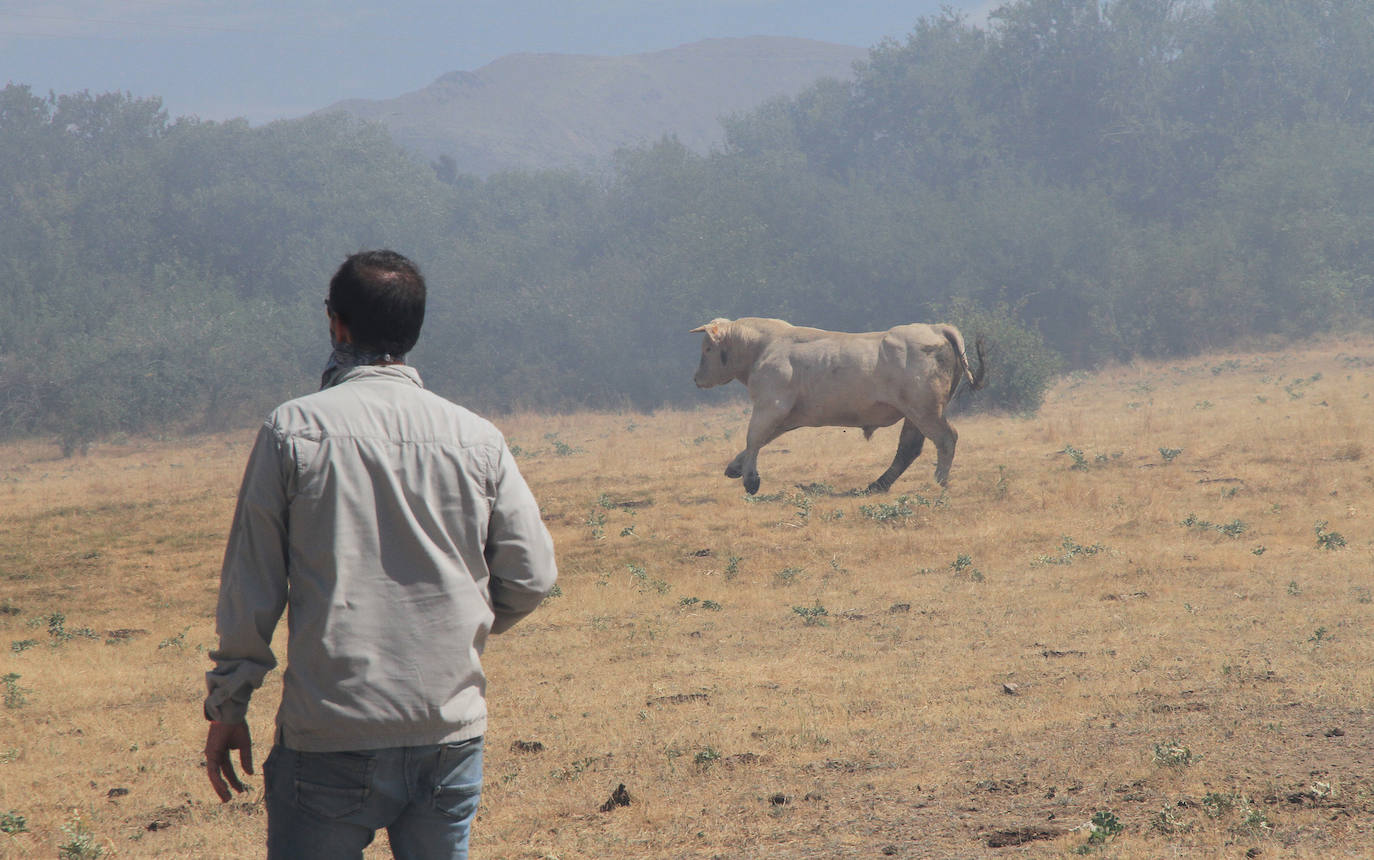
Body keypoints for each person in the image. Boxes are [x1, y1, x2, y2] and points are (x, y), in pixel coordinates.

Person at [203, 249, 558, 859]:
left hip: (329, 734)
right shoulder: (477, 437)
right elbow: (531, 576)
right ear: (413, 330)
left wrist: (229, 704)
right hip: (449, 732)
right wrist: (458, 627)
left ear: (336, 325)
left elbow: (252, 585)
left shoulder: (292, 431)